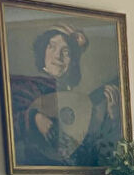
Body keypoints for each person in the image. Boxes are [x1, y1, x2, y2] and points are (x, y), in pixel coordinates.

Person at [8, 23, 122, 167]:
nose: (58, 56)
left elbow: (96, 151)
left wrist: (113, 116)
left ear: (73, 61)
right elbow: (8, 127)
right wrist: (34, 118)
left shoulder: (80, 103)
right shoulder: (26, 87)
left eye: (66, 52)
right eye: (52, 47)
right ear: (43, 51)